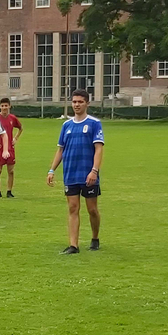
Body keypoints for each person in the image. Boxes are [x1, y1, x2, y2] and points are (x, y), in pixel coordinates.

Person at [47, 88, 104, 254]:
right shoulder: (66, 125)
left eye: (80, 102)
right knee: (73, 208)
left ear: (87, 103)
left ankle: (95, 237)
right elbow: (60, 150)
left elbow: (99, 149)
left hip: (88, 174)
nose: (77, 105)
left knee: (92, 209)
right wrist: (51, 170)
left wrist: (94, 171)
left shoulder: (94, 123)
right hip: (70, 174)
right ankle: (73, 245)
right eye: (74, 102)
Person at [0, 97, 23, 198]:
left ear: (9, 106)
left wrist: (15, 138)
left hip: (10, 148)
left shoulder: (12, 118)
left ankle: (9, 191)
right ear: (0, 107)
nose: (4, 107)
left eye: (6, 105)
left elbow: (20, 128)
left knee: (11, 171)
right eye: (2, 106)